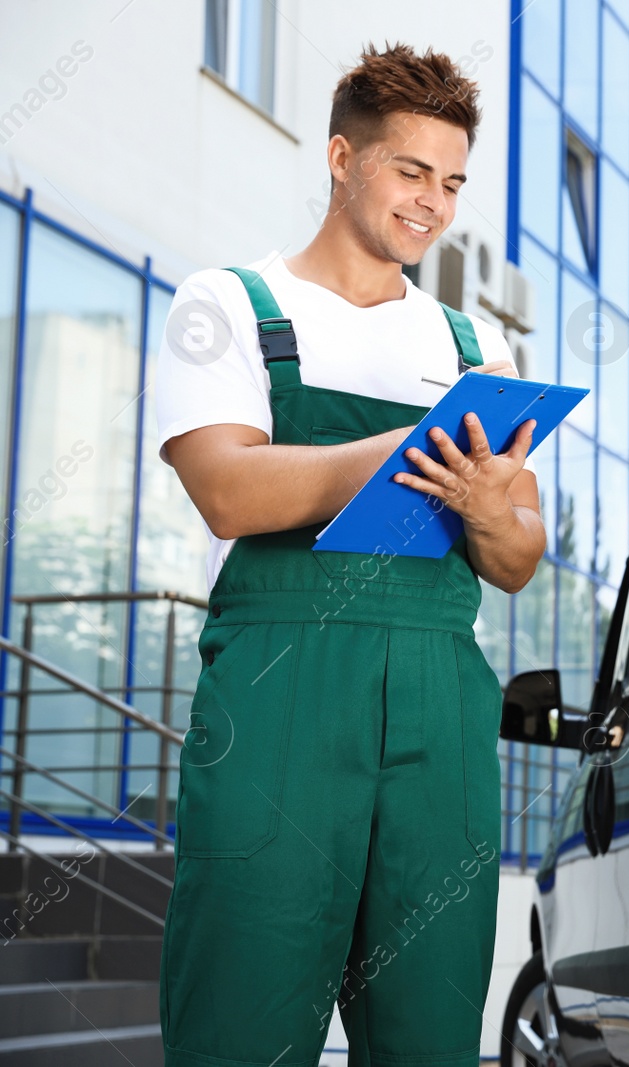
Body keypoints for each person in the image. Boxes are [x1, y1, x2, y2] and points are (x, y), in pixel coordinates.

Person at [153, 42, 546, 1067]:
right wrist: (403, 452)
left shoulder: (474, 352)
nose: (433, 203)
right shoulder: (230, 304)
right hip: (282, 693)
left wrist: (485, 504)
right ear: (341, 157)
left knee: (430, 1022)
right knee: (242, 1006)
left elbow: (516, 554)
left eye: (452, 182)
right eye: (411, 171)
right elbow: (227, 488)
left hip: (440, 705)